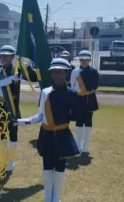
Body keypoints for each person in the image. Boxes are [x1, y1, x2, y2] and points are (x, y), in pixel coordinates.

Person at [17, 58, 80, 202]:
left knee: (59, 166)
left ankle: (56, 197)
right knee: (47, 166)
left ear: (66, 74)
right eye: (53, 72)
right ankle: (47, 197)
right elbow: (40, 115)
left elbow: (75, 115)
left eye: (58, 72)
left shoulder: (72, 94)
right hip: (47, 134)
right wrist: (22, 121)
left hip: (62, 134)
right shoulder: (45, 92)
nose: (55, 75)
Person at [0, 45, 37, 171]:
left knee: (13, 134)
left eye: (7, 56)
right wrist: (11, 79)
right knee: (1, 133)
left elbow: (34, 78)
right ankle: (3, 159)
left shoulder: (18, 70)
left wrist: (27, 64)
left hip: (13, 105)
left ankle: (11, 162)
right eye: (2, 55)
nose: (4, 58)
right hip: (0, 105)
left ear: (12, 57)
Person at [70, 50, 99, 154]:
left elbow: (95, 86)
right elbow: (72, 86)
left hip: (89, 99)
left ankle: (85, 146)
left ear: (89, 60)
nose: (83, 61)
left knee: (88, 123)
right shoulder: (75, 72)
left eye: (85, 59)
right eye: (81, 59)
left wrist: (85, 93)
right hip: (78, 99)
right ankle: (78, 145)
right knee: (78, 123)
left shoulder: (94, 72)